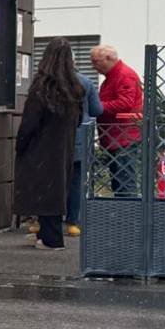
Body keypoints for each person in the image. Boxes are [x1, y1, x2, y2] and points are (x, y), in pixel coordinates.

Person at [15, 38, 85, 250]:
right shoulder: (75, 89)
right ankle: (46, 235)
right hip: (64, 149)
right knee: (56, 190)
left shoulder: (41, 88)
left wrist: (21, 144)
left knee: (41, 191)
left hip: (40, 149)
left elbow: (30, 122)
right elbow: (80, 119)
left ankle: (51, 238)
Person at [92, 45, 144, 197]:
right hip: (116, 136)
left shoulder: (123, 75)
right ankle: (123, 214)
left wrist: (98, 107)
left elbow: (125, 103)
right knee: (119, 180)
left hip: (123, 136)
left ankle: (128, 216)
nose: (93, 66)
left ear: (109, 59)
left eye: (96, 61)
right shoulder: (113, 77)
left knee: (124, 182)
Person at [67, 70, 104, 236]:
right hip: (80, 137)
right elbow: (97, 110)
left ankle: (45, 221)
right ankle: (73, 222)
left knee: (54, 180)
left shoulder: (48, 80)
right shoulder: (86, 82)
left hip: (53, 140)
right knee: (77, 181)